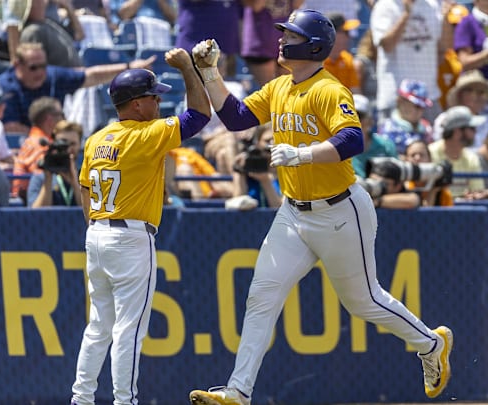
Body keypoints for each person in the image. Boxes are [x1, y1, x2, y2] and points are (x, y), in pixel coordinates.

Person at [187, 10, 453, 405]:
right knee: (261, 296)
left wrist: (302, 154)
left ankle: (431, 344)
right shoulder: (280, 86)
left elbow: (351, 140)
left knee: (363, 301)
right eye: (282, 34)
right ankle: (238, 391)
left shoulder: (330, 89)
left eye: (290, 35)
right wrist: (210, 74)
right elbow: (237, 118)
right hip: (294, 213)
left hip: (340, 212)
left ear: (313, 46)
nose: (280, 40)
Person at [70, 48, 212, 405]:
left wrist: (97, 227)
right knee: (128, 329)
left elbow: (85, 189)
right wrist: (187, 69)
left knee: (98, 328)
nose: (158, 102)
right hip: (130, 237)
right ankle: (124, 401)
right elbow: (200, 114)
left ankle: (82, 399)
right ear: (135, 104)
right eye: (153, 96)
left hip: (97, 232)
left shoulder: (96, 139)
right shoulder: (145, 135)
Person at [0, 42, 155, 133]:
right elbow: (10, 127)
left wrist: (129, 67)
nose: (40, 72)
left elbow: (90, 76)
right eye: (33, 67)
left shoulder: (52, 75)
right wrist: (40, 136)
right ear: (17, 65)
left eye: (43, 66)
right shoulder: (6, 86)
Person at [11, 96, 64, 201]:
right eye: (61, 115)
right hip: (30, 201)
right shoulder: (40, 144)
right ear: (49, 119)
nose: (63, 119)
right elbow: (43, 177)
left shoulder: (35, 139)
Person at [428, 105, 487, 198]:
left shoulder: (471, 158)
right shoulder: (429, 153)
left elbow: (477, 192)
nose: (475, 132)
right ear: (457, 132)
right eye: (472, 128)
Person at [28, 120, 82, 207]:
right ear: (53, 142)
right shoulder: (39, 178)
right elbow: (36, 216)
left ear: (79, 145)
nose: (68, 149)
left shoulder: (89, 176)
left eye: (73, 144)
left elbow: (93, 215)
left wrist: (75, 183)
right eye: (63, 142)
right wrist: (48, 180)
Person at [378, 79, 434, 156]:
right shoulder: (388, 129)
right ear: (400, 101)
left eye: (423, 107)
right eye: (417, 106)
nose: (420, 111)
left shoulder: (426, 128)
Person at [351, 93, 398, 178]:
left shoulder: (386, 146)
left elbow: (397, 178)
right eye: (346, 116)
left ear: (370, 120)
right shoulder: (335, 149)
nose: (352, 121)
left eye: (358, 116)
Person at [322, 13, 361, 94]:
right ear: (332, 34)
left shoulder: (347, 58)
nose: (349, 37)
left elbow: (355, 91)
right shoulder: (315, 60)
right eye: (346, 32)